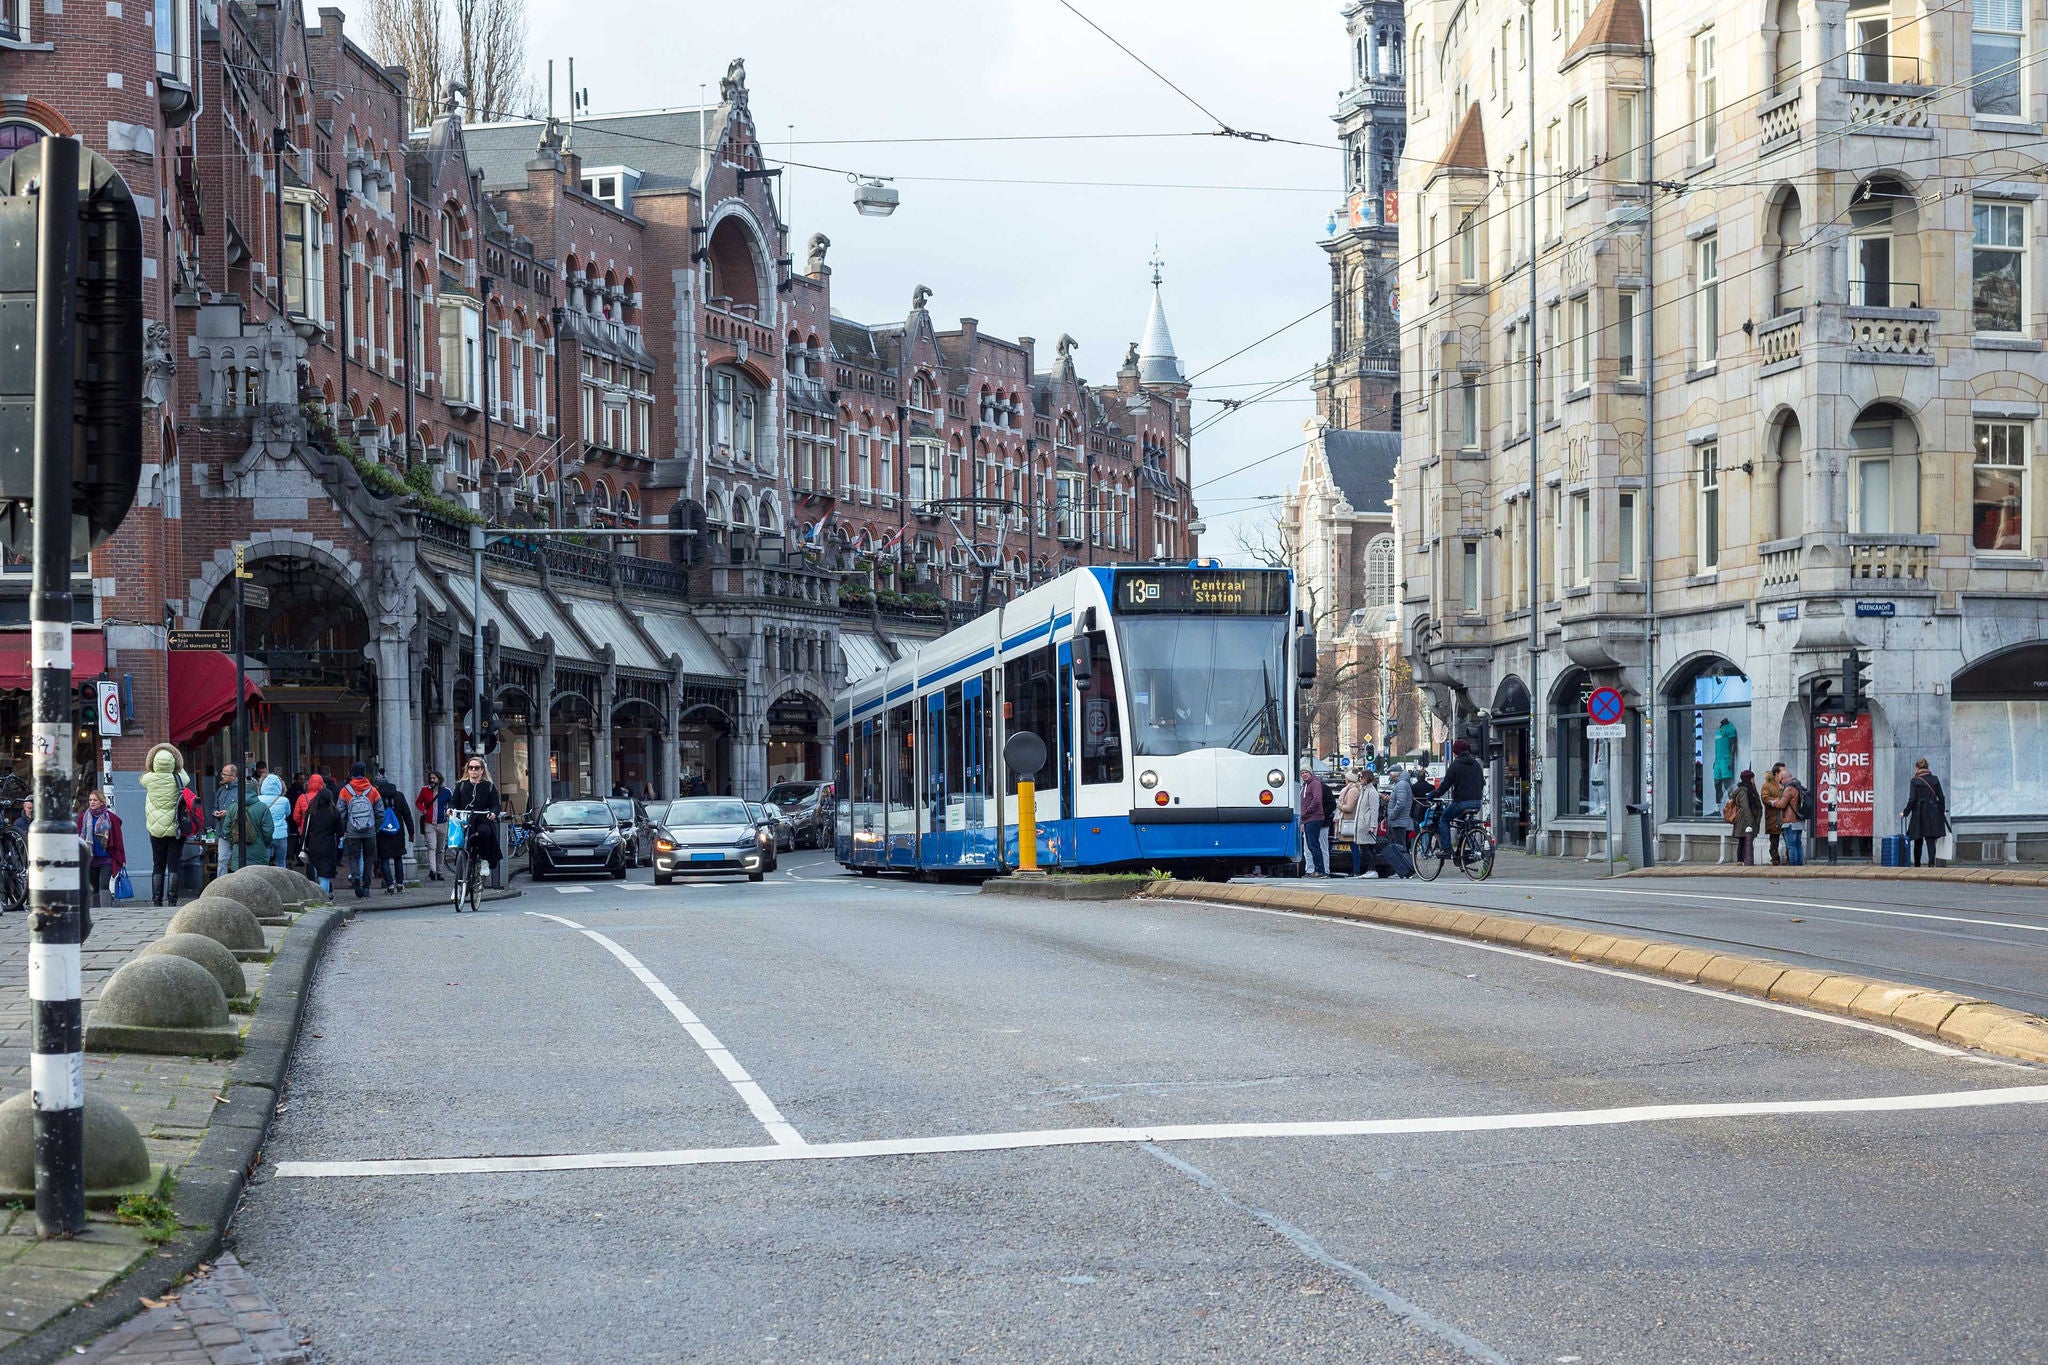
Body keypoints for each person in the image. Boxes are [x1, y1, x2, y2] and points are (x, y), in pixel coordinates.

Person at [448, 755, 503, 907]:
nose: (473, 770)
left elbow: (495, 805)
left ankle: (484, 860)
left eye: (476, 768)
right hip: (465, 820)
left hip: (482, 819)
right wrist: (450, 809)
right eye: (470, 768)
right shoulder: (461, 786)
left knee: (484, 832)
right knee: (461, 847)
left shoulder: (489, 786)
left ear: (482, 770)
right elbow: (453, 801)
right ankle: (458, 887)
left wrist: (493, 813)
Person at [139, 743, 188, 907]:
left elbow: (144, 774)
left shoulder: (148, 779)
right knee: (174, 864)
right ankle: (172, 900)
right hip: (176, 828)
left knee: (157, 865)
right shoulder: (180, 778)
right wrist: (175, 759)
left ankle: (156, 900)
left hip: (155, 829)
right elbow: (183, 771)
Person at [1425, 740, 1486, 850]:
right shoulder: (1476, 764)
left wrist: (1432, 795)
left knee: (1444, 819)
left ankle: (1446, 848)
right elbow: (1482, 783)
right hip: (1477, 802)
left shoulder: (1455, 765)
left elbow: (1444, 786)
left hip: (1461, 802)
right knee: (1463, 824)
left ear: (1455, 753)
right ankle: (1467, 848)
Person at [339, 762, 384, 899]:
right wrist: (374, 827)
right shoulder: (373, 790)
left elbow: (340, 812)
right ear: (365, 773)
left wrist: (345, 828)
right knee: (369, 858)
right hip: (369, 831)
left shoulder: (345, 790)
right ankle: (366, 887)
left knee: (354, 857)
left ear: (352, 773)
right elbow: (380, 813)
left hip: (352, 832)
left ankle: (356, 877)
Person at [76, 789, 126, 909]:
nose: (92, 802)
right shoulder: (83, 818)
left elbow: (118, 839)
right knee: (93, 886)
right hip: (90, 858)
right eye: (90, 800)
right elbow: (78, 838)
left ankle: (106, 910)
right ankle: (95, 911)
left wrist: (121, 857)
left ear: (102, 802)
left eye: (95, 800)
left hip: (106, 858)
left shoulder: (111, 818)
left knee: (104, 885)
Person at [1902, 757, 1949, 868]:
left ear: (1917, 768)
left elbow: (1912, 799)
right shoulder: (1935, 779)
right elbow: (1941, 797)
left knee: (1918, 840)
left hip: (1919, 813)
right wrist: (1941, 811)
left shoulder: (1915, 781)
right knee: (1930, 840)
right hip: (1932, 813)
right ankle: (1931, 864)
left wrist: (1905, 812)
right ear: (1928, 768)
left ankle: (1917, 865)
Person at [373, 767, 413, 893]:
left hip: (382, 831)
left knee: (384, 858)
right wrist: (411, 832)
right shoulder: (399, 796)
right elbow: (407, 814)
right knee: (398, 857)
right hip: (398, 831)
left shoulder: (376, 796)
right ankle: (400, 883)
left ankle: (390, 885)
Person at [302, 782, 342, 896]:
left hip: (314, 844)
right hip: (328, 845)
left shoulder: (312, 811)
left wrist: (303, 845)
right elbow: (340, 831)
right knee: (325, 874)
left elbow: (305, 831)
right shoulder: (334, 812)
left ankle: (315, 892)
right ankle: (324, 897)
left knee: (314, 869)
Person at [416, 770, 451, 881]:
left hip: (442, 823)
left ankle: (440, 871)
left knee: (440, 849)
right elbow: (418, 802)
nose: (432, 780)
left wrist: (449, 811)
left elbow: (452, 803)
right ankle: (433, 870)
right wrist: (423, 810)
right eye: (431, 778)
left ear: (439, 780)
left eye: (434, 778)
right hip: (429, 823)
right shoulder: (424, 790)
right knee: (432, 847)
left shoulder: (446, 791)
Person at [1726, 768, 1763, 865]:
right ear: (1749, 779)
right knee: (1743, 841)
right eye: (1752, 779)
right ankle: (1741, 861)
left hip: (1746, 820)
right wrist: (1750, 822)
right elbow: (1745, 807)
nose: (1754, 781)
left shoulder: (1750, 790)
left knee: (1745, 841)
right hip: (1744, 821)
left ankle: (1743, 860)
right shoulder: (1743, 792)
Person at [1297, 764, 1328, 877]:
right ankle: (1316, 869)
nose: (1304, 774)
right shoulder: (1304, 786)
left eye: (1306, 772)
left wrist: (1307, 811)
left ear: (1311, 773)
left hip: (1313, 817)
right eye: (1302, 773)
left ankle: (1320, 870)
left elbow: (1317, 799)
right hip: (1307, 819)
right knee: (1311, 846)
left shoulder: (1314, 783)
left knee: (1314, 845)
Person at [1776, 771, 1810, 867]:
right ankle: (1799, 864)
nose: (1780, 783)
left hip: (1790, 821)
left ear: (1785, 778)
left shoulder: (1789, 789)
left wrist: (1773, 803)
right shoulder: (1798, 786)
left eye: (1780, 781)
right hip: (1799, 820)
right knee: (1798, 844)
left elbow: (1782, 804)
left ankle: (1793, 865)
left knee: (1791, 845)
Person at [260, 772, 291, 867]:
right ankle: (281, 881)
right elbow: (288, 813)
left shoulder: (259, 799)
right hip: (281, 834)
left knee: (265, 863)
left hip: (265, 834)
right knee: (281, 862)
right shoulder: (284, 800)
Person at [1760, 764, 1788, 866]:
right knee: (1774, 840)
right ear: (1776, 773)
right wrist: (1779, 801)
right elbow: (1765, 799)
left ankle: (1789, 858)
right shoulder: (1767, 785)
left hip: (1785, 816)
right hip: (1773, 816)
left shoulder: (1785, 783)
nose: (1785, 773)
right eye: (1782, 771)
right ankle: (1775, 859)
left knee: (1788, 838)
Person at [1387, 767, 1417, 850]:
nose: (1389, 777)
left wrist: (1392, 815)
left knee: (1400, 848)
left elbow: (1401, 803)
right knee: (1402, 847)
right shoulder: (1402, 783)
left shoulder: (1401, 784)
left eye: (1389, 774)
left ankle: (1404, 863)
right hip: (1401, 820)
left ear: (1394, 774)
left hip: (1399, 821)